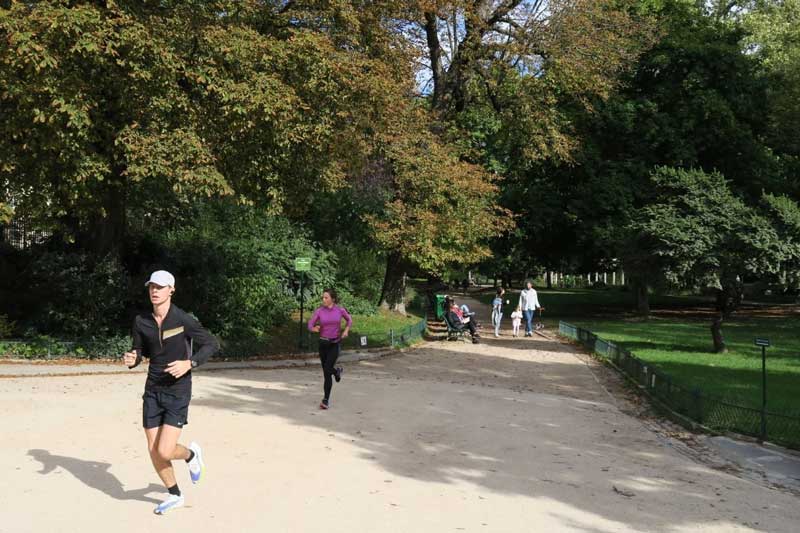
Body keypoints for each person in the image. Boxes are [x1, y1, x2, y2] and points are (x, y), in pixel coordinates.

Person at [123, 270, 220, 515]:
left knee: (165, 450)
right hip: (152, 389)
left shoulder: (183, 319)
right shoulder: (141, 321)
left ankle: (190, 454)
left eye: (160, 287)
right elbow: (139, 351)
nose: (155, 291)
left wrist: (190, 363)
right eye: (151, 287)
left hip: (178, 390)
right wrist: (132, 358)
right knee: (152, 448)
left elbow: (211, 344)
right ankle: (175, 494)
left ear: (171, 290)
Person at [307, 288, 352, 410]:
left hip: (334, 344)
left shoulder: (340, 310)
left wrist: (346, 330)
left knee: (327, 368)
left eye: (326, 297)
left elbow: (349, 320)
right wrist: (313, 328)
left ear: (333, 299)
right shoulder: (319, 311)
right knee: (327, 374)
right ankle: (336, 373)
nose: (323, 299)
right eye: (323, 297)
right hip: (323, 344)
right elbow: (310, 324)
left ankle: (325, 400)